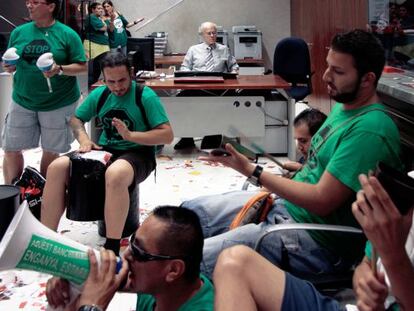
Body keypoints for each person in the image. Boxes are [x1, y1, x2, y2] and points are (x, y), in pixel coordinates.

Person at [181, 29, 402, 279]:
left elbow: (321, 199)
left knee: (190, 264)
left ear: (367, 79)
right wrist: (302, 169)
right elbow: (324, 166)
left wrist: (252, 170)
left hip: (316, 242)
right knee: (190, 213)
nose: (327, 76)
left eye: (338, 72)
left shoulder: (370, 131)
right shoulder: (345, 106)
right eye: (328, 66)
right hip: (288, 208)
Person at [213, 174, 414, 311]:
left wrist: (394, 256)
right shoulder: (406, 186)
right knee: (234, 262)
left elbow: (322, 199)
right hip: (283, 214)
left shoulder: (370, 129)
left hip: (308, 240)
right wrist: (364, 285)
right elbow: (365, 266)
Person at [41, 52, 174, 255]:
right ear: (103, 77)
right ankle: (46, 237)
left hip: (138, 153)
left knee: (116, 174)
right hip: (106, 150)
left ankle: (112, 245)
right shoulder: (100, 94)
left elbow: (167, 135)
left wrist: (130, 136)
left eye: (122, 80)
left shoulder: (144, 95)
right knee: (56, 167)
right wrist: (85, 140)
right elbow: (76, 120)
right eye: (111, 81)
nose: (117, 87)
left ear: (131, 73)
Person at [45, 205, 215, 311]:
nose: (126, 254)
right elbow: (106, 281)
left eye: (139, 252)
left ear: (173, 270)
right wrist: (75, 279)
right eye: (132, 242)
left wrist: (92, 306)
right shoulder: (161, 288)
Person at [1, 0, 87, 184]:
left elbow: (83, 66)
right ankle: (13, 196)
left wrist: (60, 69)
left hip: (58, 101)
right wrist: (9, 66)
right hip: (22, 99)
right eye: (28, 2)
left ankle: (45, 197)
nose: (29, 6)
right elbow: (12, 62)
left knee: (51, 150)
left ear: (51, 6)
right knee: (11, 149)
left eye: (36, 2)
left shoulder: (67, 34)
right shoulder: (19, 32)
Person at [174, 21, 239, 150]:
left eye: (214, 33)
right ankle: (187, 138)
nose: (212, 35)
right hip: (198, 87)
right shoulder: (193, 50)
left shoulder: (223, 49)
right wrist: (191, 76)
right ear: (202, 35)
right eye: (209, 33)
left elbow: (233, 66)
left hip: (218, 89)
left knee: (221, 101)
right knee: (180, 99)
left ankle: (213, 135)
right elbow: (184, 68)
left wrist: (234, 72)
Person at [283, 108, 327, 172]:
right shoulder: (305, 159)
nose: (299, 147)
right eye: (297, 140)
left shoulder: (330, 163)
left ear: (320, 138)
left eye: (303, 141)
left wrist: (302, 168)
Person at [84, 2, 110, 86]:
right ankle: (91, 88)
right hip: (95, 45)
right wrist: (104, 23)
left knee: (98, 68)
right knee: (95, 70)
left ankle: (94, 85)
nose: (101, 10)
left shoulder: (98, 18)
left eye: (101, 8)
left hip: (101, 45)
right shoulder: (92, 17)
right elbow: (104, 28)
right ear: (93, 10)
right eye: (99, 8)